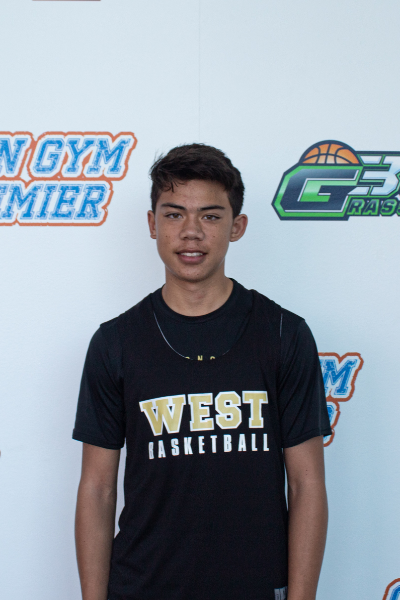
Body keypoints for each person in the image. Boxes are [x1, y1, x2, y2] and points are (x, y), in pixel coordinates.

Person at [73, 144, 331, 600]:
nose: (191, 232)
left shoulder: (283, 334)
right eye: (174, 214)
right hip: (143, 587)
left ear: (237, 226)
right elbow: (97, 489)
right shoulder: (115, 342)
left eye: (210, 216)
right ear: (152, 224)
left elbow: (307, 484)